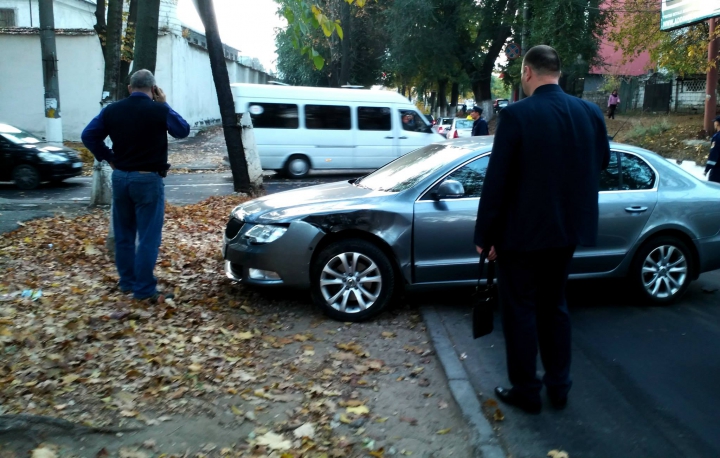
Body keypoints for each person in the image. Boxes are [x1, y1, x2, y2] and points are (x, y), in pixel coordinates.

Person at [473, 45, 610, 414]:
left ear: (528, 73)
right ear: (558, 73)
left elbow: (497, 181)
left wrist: (485, 236)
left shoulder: (517, 115)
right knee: (555, 307)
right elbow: (602, 162)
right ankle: (559, 386)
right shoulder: (591, 113)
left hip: (521, 235)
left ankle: (527, 391)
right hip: (568, 232)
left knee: (520, 311)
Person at [81, 69, 190, 303]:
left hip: (120, 178)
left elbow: (88, 136)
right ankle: (143, 290)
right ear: (153, 89)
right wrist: (165, 104)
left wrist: (108, 156)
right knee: (148, 237)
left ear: (130, 88)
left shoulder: (112, 110)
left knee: (124, 234)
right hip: (148, 179)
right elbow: (182, 130)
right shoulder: (159, 110)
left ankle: (127, 282)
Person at [704, 115, 720, 183]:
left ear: (717, 123)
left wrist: (706, 169)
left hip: (717, 170)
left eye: (714, 122)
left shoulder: (717, 137)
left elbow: (714, 154)